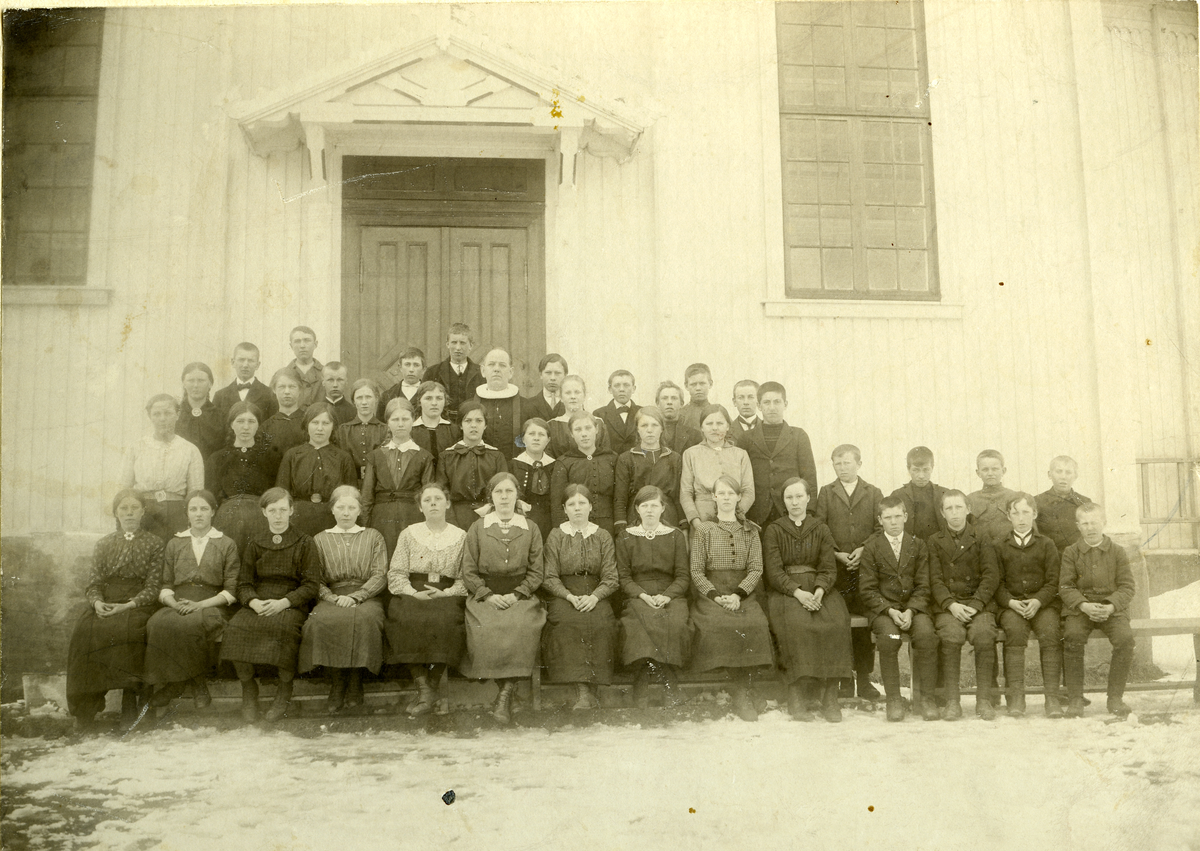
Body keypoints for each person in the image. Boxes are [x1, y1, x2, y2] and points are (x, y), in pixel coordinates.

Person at [220, 488, 322, 723]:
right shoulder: (255, 542)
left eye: (283, 510)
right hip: (259, 601)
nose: (278, 516)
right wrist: (254, 602)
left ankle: (284, 693)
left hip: (291, 603)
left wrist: (283, 603)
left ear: (292, 511)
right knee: (236, 629)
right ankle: (249, 690)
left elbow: (310, 585)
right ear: (264, 512)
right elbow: (243, 583)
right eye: (272, 510)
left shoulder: (305, 542)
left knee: (283, 630)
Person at [66, 490, 164, 730]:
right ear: (116, 513)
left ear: (143, 511)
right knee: (85, 631)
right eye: (123, 508)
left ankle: (132, 704)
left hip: (137, 603)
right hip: (106, 601)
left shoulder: (155, 543)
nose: (129, 513)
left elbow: (153, 586)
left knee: (131, 631)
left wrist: (128, 605)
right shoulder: (104, 543)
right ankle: (86, 709)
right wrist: (98, 603)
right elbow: (94, 582)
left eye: (134, 508)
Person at [763, 477, 852, 722]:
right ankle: (796, 693)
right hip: (787, 589)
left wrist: (820, 590)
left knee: (836, 621)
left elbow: (828, 567)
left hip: (819, 587)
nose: (795, 502)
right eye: (789, 497)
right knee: (796, 625)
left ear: (808, 498)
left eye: (799, 496)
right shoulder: (775, 529)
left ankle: (830, 694)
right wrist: (799, 593)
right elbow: (774, 571)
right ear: (783, 501)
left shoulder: (820, 528)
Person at [460, 473, 547, 724]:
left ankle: (505, 694)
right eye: (499, 492)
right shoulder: (478, 527)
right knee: (487, 626)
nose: (505, 497)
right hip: (485, 594)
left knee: (521, 625)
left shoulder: (531, 528)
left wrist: (517, 594)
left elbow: (536, 571)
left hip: (521, 594)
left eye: (509, 491)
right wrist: (487, 595)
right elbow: (468, 570)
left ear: (517, 496)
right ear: (492, 497)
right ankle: (509, 694)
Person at [688, 475, 773, 721]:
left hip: (743, 593)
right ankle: (741, 691)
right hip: (711, 594)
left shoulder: (751, 531)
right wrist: (715, 596)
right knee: (721, 624)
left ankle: (745, 687)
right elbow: (696, 571)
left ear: (738, 497)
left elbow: (756, 568)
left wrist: (738, 594)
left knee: (755, 623)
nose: (726, 498)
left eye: (731, 493)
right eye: (721, 493)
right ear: (714, 497)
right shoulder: (704, 530)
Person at [144, 489, 239, 709]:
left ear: (213, 512)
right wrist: (174, 603)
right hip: (178, 602)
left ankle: (187, 685)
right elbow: (166, 583)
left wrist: (199, 605)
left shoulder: (226, 544)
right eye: (193, 509)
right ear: (186, 513)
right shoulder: (175, 543)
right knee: (157, 622)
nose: (198, 514)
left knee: (194, 623)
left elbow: (231, 590)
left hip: (210, 603)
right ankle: (189, 683)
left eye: (204, 509)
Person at [299, 486, 388, 714]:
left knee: (366, 619)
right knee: (320, 621)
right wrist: (332, 597)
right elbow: (314, 578)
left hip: (366, 594)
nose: (346, 512)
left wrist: (357, 596)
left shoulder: (373, 536)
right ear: (332, 510)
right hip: (333, 595)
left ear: (359, 510)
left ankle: (356, 681)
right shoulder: (319, 540)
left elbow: (380, 574)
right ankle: (337, 683)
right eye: (341, 507)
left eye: (351, 507)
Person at [386, 482, 469, 717]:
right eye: (427, 500)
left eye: (438, 499)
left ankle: (427, 691)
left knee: (445, 621)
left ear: (448, 504)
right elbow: (397, 573)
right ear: (420, 507)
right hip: (414, 589)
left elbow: (465, 577)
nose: (433, 503)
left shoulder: (460, 536)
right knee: (404, 618)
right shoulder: (409, 533)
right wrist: (413, 593)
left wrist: (448, 593)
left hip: (446, 591)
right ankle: (425, 686)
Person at [858, 496, 939, 722]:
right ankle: (893, 699)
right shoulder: (872, 548)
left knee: (926, 635)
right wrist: (891, 611)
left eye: (897, 517)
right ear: (880, 520)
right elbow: (867, 589)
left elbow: (924, 585)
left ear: (905, 517)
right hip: (884, 610)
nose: (893, 522)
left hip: (914, 608)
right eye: (887, 517)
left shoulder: (918, 545)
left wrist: (911, 610)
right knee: (889, 638)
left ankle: (927, 698)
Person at [813, 443, 883, 700]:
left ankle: (864, 679)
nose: (842, 468)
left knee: (864, 625)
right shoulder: (827, 492)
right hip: (838, 570)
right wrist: (837, 553)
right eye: (837, 463)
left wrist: (863, 550)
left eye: (847, 463)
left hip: (865, 570)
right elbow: (820, 527)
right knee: (839, 621)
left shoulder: (873, 492)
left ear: (859, 464)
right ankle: (844, 679)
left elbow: (880, 527)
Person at [541, 484, 619, 710]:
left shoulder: (602, 535)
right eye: (571, 504)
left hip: (596, 593)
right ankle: (582, 690)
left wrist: (595, 597)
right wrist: (568, 596)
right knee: (567, 623)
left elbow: (611, 577)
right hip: (564, 593)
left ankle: (594, 687)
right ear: (564, 509)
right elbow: (549, 576)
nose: (577, 509)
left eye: (582, 503)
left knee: (601, 621)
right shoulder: (556, 535)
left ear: (590, 507)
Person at [927, 489, 1000, 721]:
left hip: (979, 603)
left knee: (983, 634)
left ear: (968, 509)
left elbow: (991, 575)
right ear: (942, 512)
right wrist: (951, 604)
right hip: (949, 606)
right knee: (950, 636)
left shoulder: (982, 536)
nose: (955, 513)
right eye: (949, 508)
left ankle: (984, 700)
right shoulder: (934, 541)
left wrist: (977, 604)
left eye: (959, 507)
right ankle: (952, 701)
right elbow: (935, 579)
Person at [616, 486, 692, 708]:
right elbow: (623, 577)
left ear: (663, 509)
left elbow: (682, 576)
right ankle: (641, 677)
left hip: (670, 594)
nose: (649, 510)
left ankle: (668, 676)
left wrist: (667, 596)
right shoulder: (625, 537)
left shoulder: (675, 536)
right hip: (638, 593)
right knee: (638, 621)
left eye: (654, 506)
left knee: (675, 621)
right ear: (637, 509)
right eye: (644, 506)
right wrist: (642, 595)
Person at [1059, 502, 1136, 718]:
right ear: (1078, 526)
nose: (1090, 528)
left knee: (1125, 639)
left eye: (1094, 522)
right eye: (1085, 523)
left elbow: (1128, 586)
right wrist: (1083, 605)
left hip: (1111, 610)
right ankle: (1075, 699)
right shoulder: (1071, 552)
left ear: (1104, 523)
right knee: (1072, 637)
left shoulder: (1117, 552)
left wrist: (1111, 606)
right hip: (1080, 610)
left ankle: (1115, 699)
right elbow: (1065, 586)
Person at [993, 492, 1063, 718]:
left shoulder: (1046, 544)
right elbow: (996, 582)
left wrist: (1039, 600)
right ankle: (1015, 698)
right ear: (1008, 516)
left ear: (1034, 514)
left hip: (1042, 605)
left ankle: (1052, 698)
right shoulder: (999, 546)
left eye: (1026, 513)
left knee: (1051, 632)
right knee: (1013, 633)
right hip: (1012, 605)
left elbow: (1054, 581)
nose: (1021, 518)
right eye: (1015, 513)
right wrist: (1010, 602)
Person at [119, 393, 205, 540]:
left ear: (177, 415)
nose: (162, 419)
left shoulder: (190, 450)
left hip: (176, 512)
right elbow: (124, 490)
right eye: (157, 414)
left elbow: (195, 492)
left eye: (168, 413)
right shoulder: (136, 447)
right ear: (150, 416)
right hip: (144, 511)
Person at [361, 398, 435, 555]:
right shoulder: (375, 456)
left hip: (412, 517)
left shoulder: (424, 456)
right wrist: (365, 528)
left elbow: (428, 496)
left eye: (405, 419)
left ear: (413, 421)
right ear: (387, 422)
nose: (400, 424)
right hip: (381, 519)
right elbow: (367, 496)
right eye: (395, 419)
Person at [207, 401, 282, 553]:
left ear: (258, 425)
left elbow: (276, 494)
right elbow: (211, 495)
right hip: (227, 519)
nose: (246, 427)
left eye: (251, 421)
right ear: (231, 424)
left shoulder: (271, 457)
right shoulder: (217, 458)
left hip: (261, 519)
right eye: (240, 421)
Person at [741, 381, 818, 526]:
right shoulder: (746, 438)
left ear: (785, 404)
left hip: (790, 511)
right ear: (759, 406)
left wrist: (809, 512)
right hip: (757, 514)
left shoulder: (798, 435)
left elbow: (809, 476)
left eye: (777, 402)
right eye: (766, 402)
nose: (772, 407)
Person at [275, 403, 357, 537]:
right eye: (315, 422)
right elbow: (281, 494)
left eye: (325, 423)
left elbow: (351, 497)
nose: (320, 428)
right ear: (306, 425)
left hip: (332, 520)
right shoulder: (292, 455)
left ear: (333, 427)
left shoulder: (343, 458)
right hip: (298, 519)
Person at [680, 405, 754, 529]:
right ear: (701, 427)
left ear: (727, 426)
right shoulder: (691, 454)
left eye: (720, 423)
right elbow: (685, 492)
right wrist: (696, 521)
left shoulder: (740, 454)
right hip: (702, 518)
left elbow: (748, 491)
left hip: (734, 520)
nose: (715, 428)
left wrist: (736, 516)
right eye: (709, 423)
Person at [437, 401, 508, 530]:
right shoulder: (447, 456)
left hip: (489, 515)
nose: (473, 425)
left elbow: (502, 489)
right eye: (468, 421)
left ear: (485, 425)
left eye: (479, 421)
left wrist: (491, 514)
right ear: (460, 425)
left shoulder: (496, 456)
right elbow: (442, 492)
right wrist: (450, 520)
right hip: (456, 516)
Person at [613, 406, 684, 532]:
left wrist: (683, 526)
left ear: (662, 428)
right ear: (637, 429)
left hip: (668, 518)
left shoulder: (674, 458)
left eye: (655, 425)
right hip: (636, 518)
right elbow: (620, 498)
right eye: (644, 425)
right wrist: (621, 528)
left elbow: (678, 497)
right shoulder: (626, 458)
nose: (649, 430)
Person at [550, 410, 619, 536]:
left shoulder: (612, 458)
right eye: (578, 430)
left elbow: (620, 498)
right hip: (575, 527)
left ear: (597, 429)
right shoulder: (564, 462)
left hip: (608, 525)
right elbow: (557, 504)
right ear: (571, 433)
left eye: (588, 428)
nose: (584, 434)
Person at [423, 322, 484, 423]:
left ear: (471, 345)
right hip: (441, 425)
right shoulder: (432, 372)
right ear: (447, 344)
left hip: (472, 425)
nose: (458, 348)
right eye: (454, 342)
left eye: (463, 343)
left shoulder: (482, 373)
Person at [890, 446, 950, 542]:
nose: (921, 476)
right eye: (916, 470)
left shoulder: (944, 494)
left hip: (938, 550)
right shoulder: (897, 495)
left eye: (926, 470)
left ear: (932, 468)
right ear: (908, 469)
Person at [474, 347, 524, 461]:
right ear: (483, 371)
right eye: (491, 364)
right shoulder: (470, 405)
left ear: (511, 372)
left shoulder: (526, 406)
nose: (496, 369)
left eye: (502, 365)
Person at [336, 378, 388, 484]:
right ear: (354, 401)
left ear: (376, 398)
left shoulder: (385, 430)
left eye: (368, 397)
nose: (364, 402)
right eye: (359, 398)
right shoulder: (343, 430)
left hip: (379, 484)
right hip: (349, 483)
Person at [1036, 456, 1092, 554]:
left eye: (1068, 472)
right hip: (1047, 560)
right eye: (1059, 471)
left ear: (1075, 476)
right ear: (1050, 474)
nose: (1063, 476)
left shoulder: (1085, 502)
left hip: (1076, 560)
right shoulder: (1037, 501)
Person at [511, 417, 555, 542]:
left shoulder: (555, 466)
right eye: (531, 434)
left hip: (548, 522)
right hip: (521, 520)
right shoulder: (513, 465)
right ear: (523, 439)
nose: (536, 438)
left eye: (541, 434)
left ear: (548, 440)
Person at [548, 374, 613, 459]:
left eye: (577, 392)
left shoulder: (598, 422)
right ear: (561, 398)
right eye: (568, 393)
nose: (573, 397)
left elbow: (606, 455)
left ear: (584, 395)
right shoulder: (552, 425)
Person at [213, 342, 278, 423]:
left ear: (257, 365)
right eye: (241, 360)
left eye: (250, 360)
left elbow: (272, 427)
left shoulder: (269, 394)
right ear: (233, 362)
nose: (245, 365)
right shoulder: (220, 396)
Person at [409, 380, 460, 477]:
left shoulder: (454, 431)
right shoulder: (411, 431)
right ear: (419, 401)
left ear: (445, 401)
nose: (434, 403)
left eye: (439, 398)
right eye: (428, 398)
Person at [967, 450, 1019, 543]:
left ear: (1003, 471)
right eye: (985, 469)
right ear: (978, 473)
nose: (990, 473)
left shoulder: (1015, 497)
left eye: (995, 469)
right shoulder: (970, 499)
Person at [175, 362, 223, 461]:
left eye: (201, 380)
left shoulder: (221, 416)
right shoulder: (174, 414)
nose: (195, 385)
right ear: (184, 383)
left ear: (210, 384)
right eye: (191, 380)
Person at [260, 366, 308, 455]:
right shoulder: (266, 427)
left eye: (292, 386)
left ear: (300, 389)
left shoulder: (309, 423)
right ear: (274, 389)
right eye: (281, 387)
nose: (287, 391)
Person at [593, 369, 641, 455]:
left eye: (626, 385)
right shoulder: (599, 414)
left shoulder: (642, 412)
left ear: (633, 389)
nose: (621, 389)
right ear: (610, 389)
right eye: (617, 385)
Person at [376, 346, 427, 419]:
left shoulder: (431, 395)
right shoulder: (387, 396)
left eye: (416, 365)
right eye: (407, 364)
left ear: (424, 369)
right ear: (400, 367)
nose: (411, 370)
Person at [678, 363, 731, 432]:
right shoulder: (681, 415)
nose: (698, 388)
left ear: (710, 384)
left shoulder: (720, 413)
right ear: (686, 386)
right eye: (693, 384)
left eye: (702, 383)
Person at [655, 380, 701, 455]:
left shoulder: (694, 435)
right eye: (665, 398)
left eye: (674, 398)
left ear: (681, 403)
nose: (669, 402)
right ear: (658, 403)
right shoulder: (650, 432)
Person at [522, 353, 568, 421]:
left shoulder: (571, 403)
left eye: (557, 373)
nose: (553, 378)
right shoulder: (528, 405)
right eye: (548, 373)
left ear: (565, 375)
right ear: (541, 374)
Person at [286, 326, 323, 409]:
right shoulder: (282, 375)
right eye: (297, 341)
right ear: (291, 345)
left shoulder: (326, 374)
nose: (302, 345)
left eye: (307, 340)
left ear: (315, 344)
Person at [728, 379, 761, 445]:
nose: (746, 402)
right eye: (741, 397)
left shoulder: (767, 429)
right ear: (734, 402)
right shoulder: (727, 431)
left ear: (758, 400)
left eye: (750, 397)